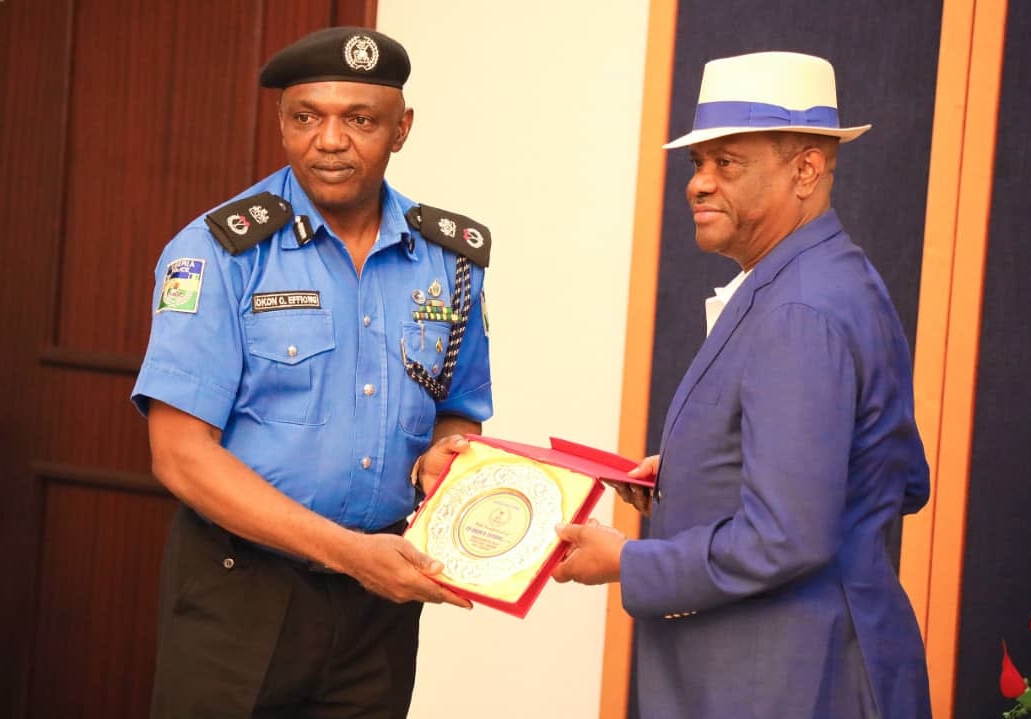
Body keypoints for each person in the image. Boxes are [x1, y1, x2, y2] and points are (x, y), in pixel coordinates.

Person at [553, 51, 932, 718]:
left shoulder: (797, 311)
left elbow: (789, 535)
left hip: (792, 681)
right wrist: (698, 476)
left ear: (805, 170)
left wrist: (629, 561)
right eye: (698, 164)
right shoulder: (833, 276)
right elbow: (896, 476)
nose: (698, 184)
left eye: (727, 162)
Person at [131, 26, 493, 718]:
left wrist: (449, 455)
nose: (329, 140)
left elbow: (458, 406)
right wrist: (350, 553)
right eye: (306, 117)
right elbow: (178, 456)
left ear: (401, 128)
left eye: (359, 119)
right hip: (242, 591)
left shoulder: (448, 260)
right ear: (282, 123)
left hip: (379, 607)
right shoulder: (221, 252)